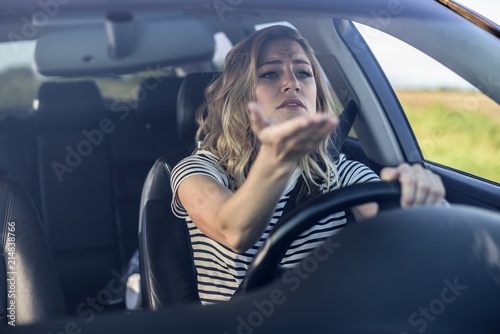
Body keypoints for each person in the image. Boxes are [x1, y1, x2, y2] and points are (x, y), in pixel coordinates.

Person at [170, 25, 445, 304]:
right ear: (240, 98)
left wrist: (415, 198)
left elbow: (389, 221)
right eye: (270, 74)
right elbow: (233, 231)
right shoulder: (197, 170)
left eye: (303, 72)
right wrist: (278, 158)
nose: (293, 83)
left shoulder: (337, 172)